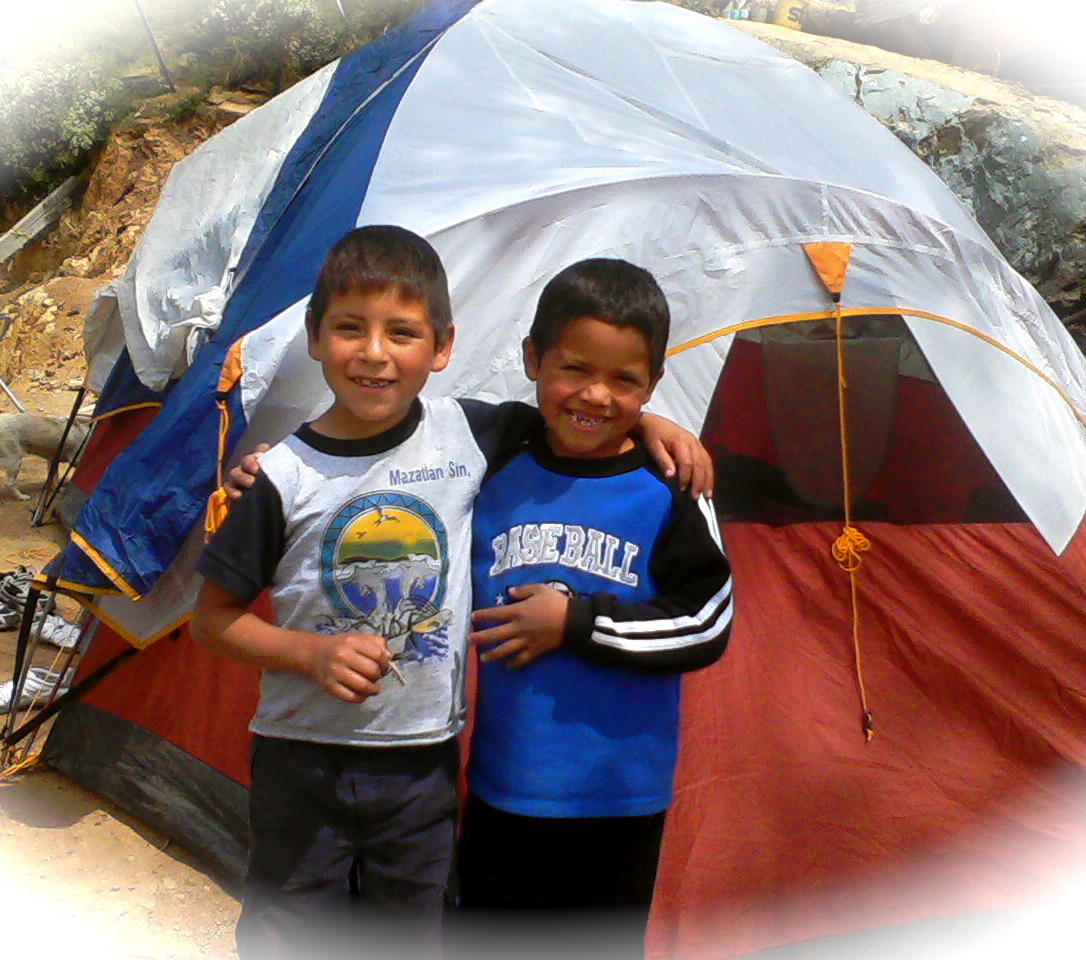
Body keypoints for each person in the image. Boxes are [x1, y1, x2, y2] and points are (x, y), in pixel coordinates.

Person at [193, 226, 711, 960]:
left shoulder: (468, 434)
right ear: (314, 337)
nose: (375, 353)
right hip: (300, 756)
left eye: (402, 333)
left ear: (441, 347)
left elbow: (583, 412)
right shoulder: (282, 477)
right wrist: (309, 654)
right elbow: (210, 621)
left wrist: (655, 421)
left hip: (423, 760)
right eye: (350, 328)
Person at [454, 258, 734, 960]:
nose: (595, 395)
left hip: (617, 801)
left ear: (654, 383)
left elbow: (707, 621)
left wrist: (576, 623)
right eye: (574, 369)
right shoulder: (493, 451)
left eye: (625, 381)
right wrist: (275, 466)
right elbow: (389, 431)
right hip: (502, 785)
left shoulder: (670, 486)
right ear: (532, 360)